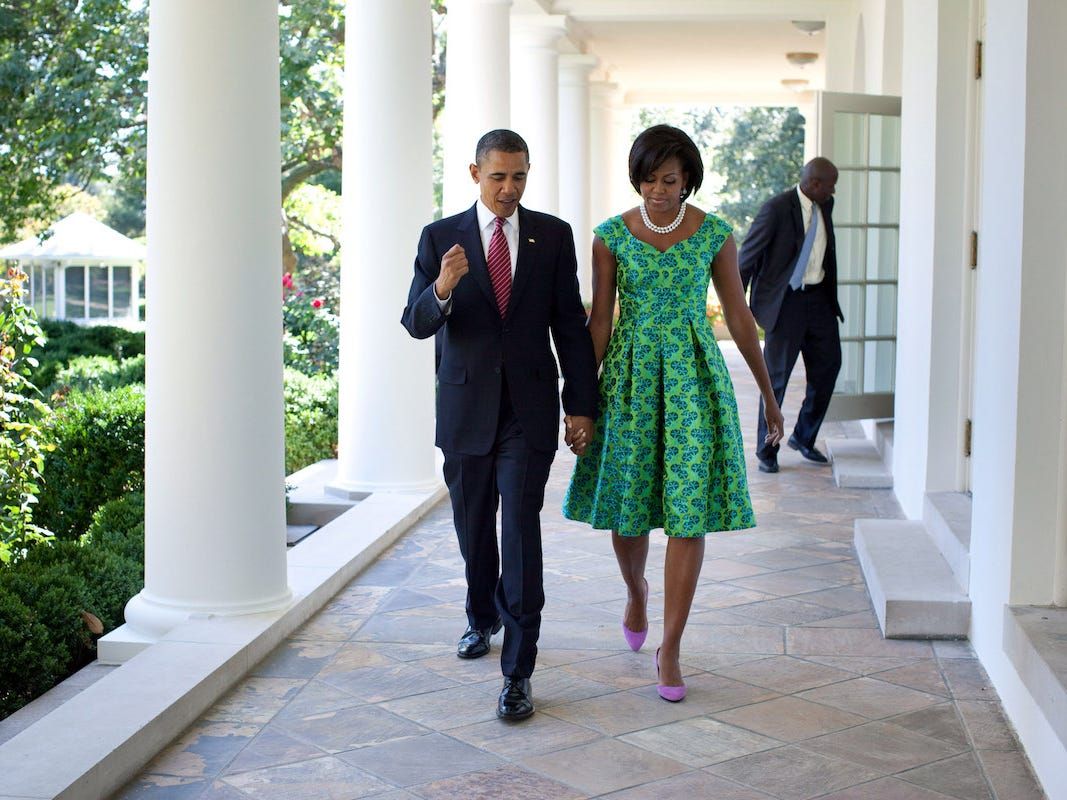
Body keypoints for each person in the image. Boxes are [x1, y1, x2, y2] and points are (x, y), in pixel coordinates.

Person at [563, 125, 784, 702]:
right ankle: (635, 591)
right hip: (631, 385)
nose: (657, 191)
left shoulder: (714, 234)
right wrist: (579, 401)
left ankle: (672, 646)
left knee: (688, 516)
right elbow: (600, 322)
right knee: (630, 514)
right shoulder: (611, 236)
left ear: (688, 181)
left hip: (694, 384)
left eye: (668, 180)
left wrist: (768, 395)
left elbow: (739, 318)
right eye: (647, 180)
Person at [401, 129, 598, 721]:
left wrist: (581, 404)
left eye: (519, 176)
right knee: (474, 530)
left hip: (527, 413)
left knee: (519, 532)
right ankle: (480, 615)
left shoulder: (552, 236)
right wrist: (443, 287)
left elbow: (570, 325)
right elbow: (415, 323)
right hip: (465, 411)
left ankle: (518, 671)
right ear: (474, 174)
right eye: (498, 177)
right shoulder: (440, 238)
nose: (509, 188)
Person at [738, 158, 843, 474]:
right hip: (785, 304)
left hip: (820, 299)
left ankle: (803, 437)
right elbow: (747, 258)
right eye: (830, 185)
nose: (833, 191)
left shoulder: (825, 205)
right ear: (814, 183)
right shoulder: (776, 209)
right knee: (776, 380)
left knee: (828, 367)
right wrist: (738, 308)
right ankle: (767, 450)